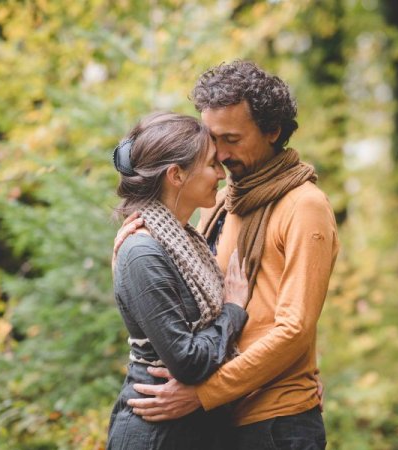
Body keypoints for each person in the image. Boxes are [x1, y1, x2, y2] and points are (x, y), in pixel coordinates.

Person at [122, 61, 340, 449]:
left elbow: (293, 330)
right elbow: (186, 300)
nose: (219, 154)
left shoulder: (303, 205)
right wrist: (135, 245)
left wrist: (203, 394)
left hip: (275, 422)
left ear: (273, 130)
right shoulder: (222, 204)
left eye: (232, 139)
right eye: (213, 139)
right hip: (221, 420)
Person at [106, 112, 251, 450]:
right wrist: (232, 307)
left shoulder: (186, 242)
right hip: (156, 435)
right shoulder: (144, 251)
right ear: (176, 175)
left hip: (190, 432)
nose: (221, 173)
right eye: (212, 164)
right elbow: (189, 362)